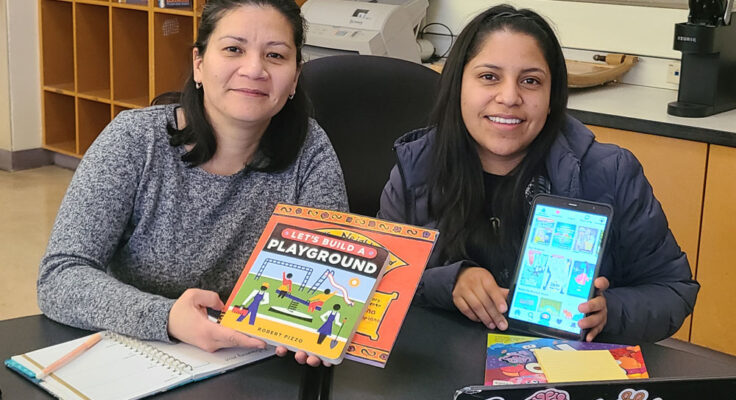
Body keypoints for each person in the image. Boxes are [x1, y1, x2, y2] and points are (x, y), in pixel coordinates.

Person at [37, 0, 348, 367]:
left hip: (253, 363)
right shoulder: (135, 140)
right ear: (199, 64)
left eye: (276, 56)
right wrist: (167, 317)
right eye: (234, 49)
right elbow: (59, 277)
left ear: (294, 77)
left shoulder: (309, 147)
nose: (254, 69)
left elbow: (332, 275)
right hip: (135, 355)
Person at [378, 4, 699, 343]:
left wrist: (610, 310)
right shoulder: (416, 167)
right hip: (442, 371)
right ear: (458, 85)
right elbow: (379, 281)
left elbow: (673, 290)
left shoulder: (610, 172)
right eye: (489, 77)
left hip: (560, 374)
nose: (509, 97)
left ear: (551, 96)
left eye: (530, 81)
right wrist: (449, 282)